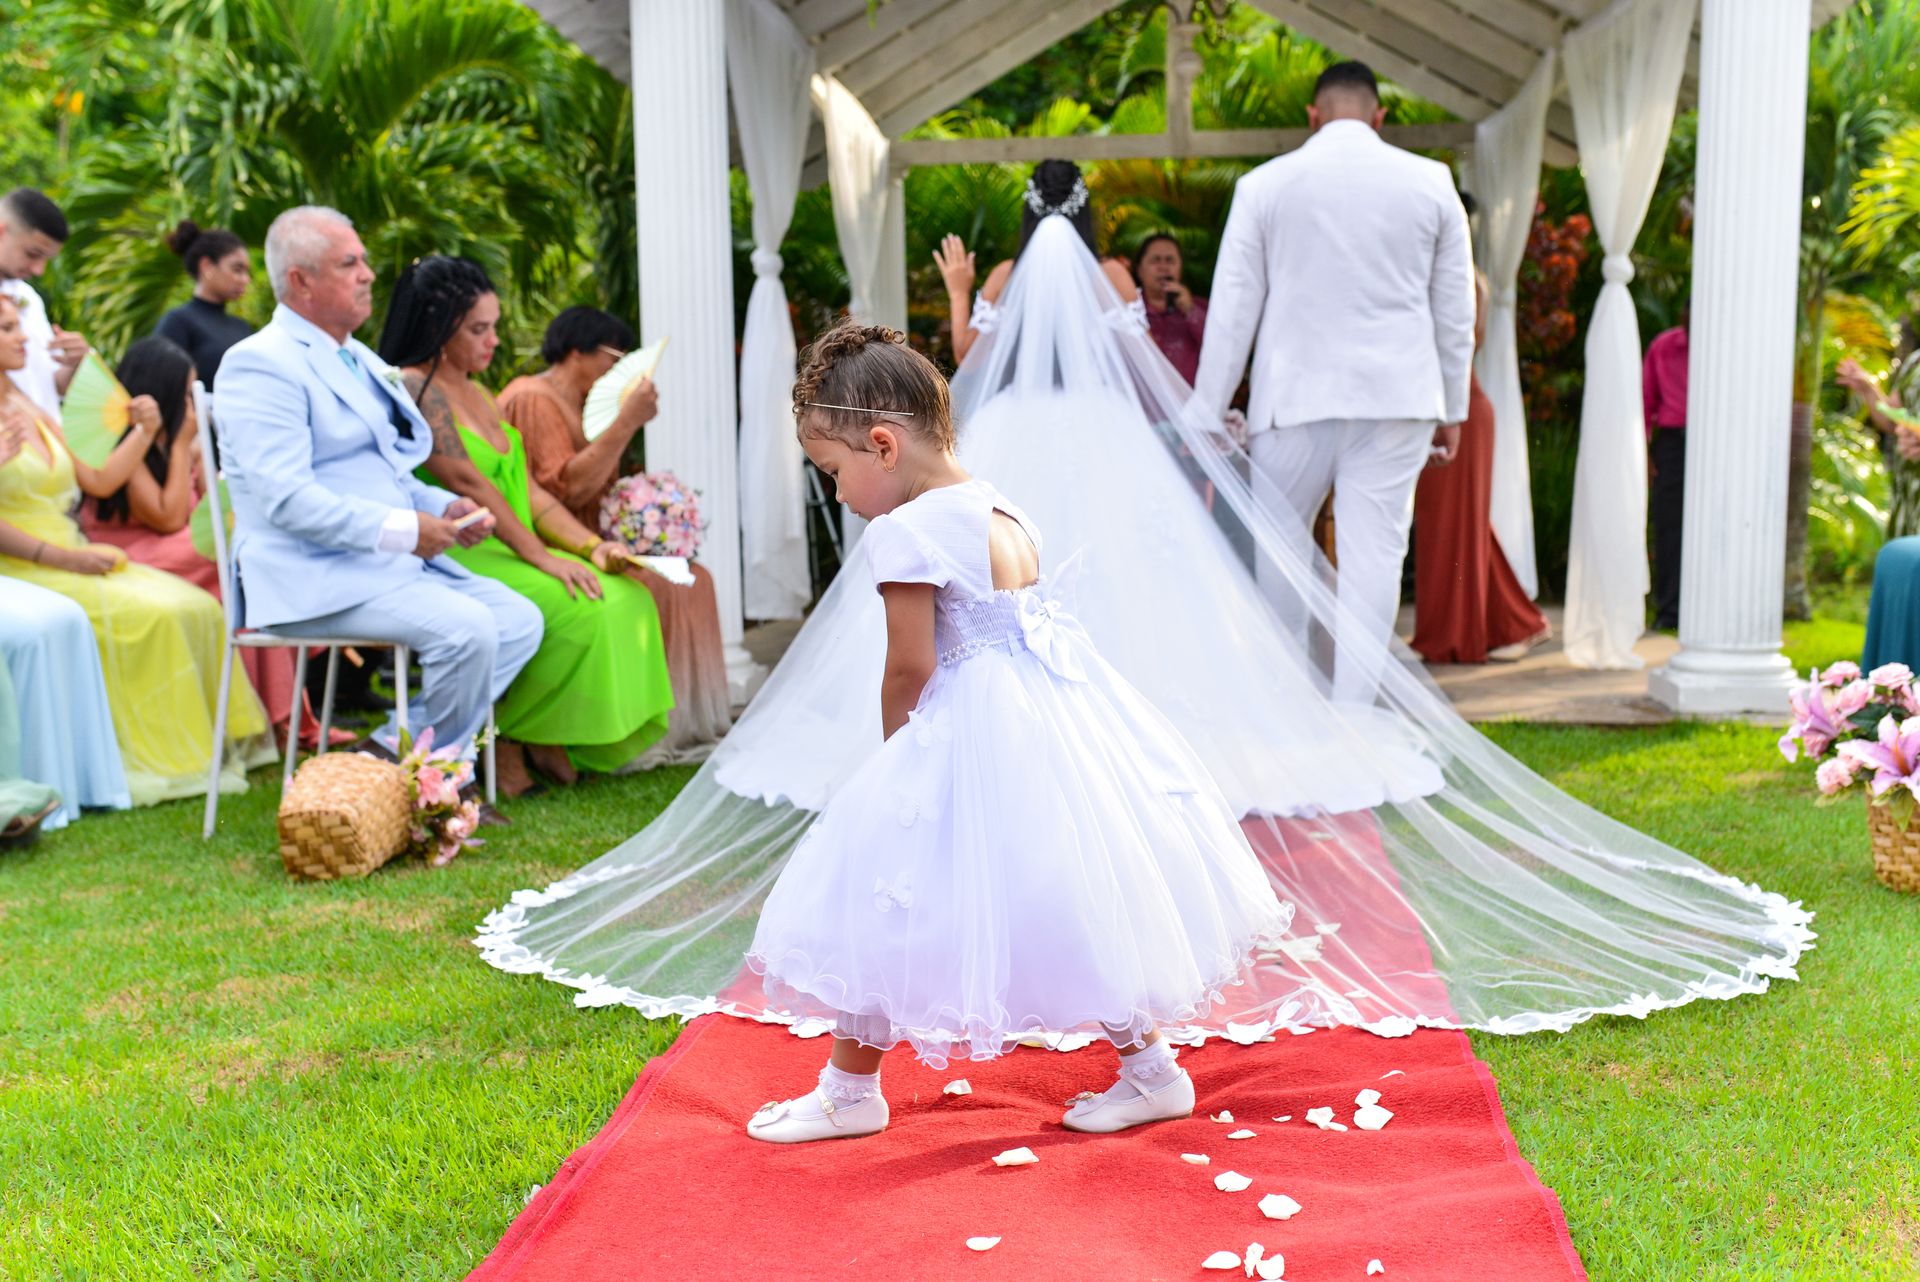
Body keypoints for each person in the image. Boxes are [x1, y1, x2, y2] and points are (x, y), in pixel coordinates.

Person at [474, 144, 1811, 1058]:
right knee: (1095, 729)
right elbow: (1116, 372)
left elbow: (965, 387)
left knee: (921, 855)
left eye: (834, 468)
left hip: (998, 507)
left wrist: (962, 300)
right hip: (1077, 498)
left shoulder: (960, 402)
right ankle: (1108, 1044)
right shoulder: (1068, 361)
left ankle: (864, 1067)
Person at [743, 323, 1291, 1143]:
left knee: (884, 893)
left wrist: (899, 760)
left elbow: (909, 666)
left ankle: (851, 1092)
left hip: (964, 737)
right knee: (1072, 893)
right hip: (1050, 728)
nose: (839, 492)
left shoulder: (905, 531)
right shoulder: (1001, 507)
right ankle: (1152, 1071)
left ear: (882, 445)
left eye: (833, 471)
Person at [215, 206, 542, 790]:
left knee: (518, 621)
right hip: (312, 574)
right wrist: (409, 531)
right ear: (301, 281)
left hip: (379, 568)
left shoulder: (358, 357)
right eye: (350, 263)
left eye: (364, 260)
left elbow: (388, 474)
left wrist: (442, 508)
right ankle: (434, 784)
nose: (368, 274)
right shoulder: (260, 364)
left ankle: (390, 757)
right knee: (468, 629)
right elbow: (287, 500)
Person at [1192, 61, 1475, 705]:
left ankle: (1289, 704)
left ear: (1313, 115)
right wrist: (1452, 407)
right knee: (1375, 556)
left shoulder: (1265, 185)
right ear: (1380, 117)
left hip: (1293, 398)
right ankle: (1356, 714)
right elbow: (1454, 310)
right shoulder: (1432, 182)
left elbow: (1234, 307)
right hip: (1399, 399)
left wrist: (1208, 409)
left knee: (1281, 551)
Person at [379, 256, 675, 791]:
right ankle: (509, 734)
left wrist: (590, 546)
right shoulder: (414, 388)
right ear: (439, 328)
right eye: (479, 329)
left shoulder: (480, 393)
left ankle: (548, 733)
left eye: (493, 326)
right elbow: (470, 484)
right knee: (580, 607)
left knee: (625, 596)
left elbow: (529, 493)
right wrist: (542, 558)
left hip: (510, 543)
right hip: (459, 550)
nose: (494, 340)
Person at [0, 293, 272, 804]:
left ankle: (210, 747)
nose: (22, 337)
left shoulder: (29, 405)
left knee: (195, 605)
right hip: (24, 566)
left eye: (18, 325)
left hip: (70, 551)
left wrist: (145, 432)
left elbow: (100, 480)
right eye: (7, 328)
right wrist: (64, 558)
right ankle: (162, 758)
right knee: (155, 616)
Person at [499, 308, 732, 759]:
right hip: (555, 544)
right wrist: (626, 421)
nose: (617, 367)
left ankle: (682, 724)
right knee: (659, 587)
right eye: (613, 356)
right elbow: (565, 490)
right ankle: (631, 731)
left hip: (597, 540)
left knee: (694, 577)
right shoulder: (533, 398)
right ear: (576, 350)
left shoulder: (580, 405)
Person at [79, 336, 323, 748]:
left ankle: (286, 714)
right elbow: (169, 517)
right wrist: (180, 446)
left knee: (251, 562)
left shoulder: (182, 439)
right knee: (230, 562)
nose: (194, 408)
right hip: (137, 551)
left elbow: (209, 509)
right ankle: (283, 718)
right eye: (186, 397)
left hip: (179, 545)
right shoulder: (127, 441)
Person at [1410, 270, 1550, 664]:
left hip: (1460, 413)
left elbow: (1466, 339)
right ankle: (1512, 623)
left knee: (1457, 523)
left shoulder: (1468, 282)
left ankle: (1470, 631)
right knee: (1452, 524)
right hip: (1439, 411)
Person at [933, 158, 1140, 367]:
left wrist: (959, 293)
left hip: (1021, 390)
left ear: (1030, 210)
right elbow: (1143, 361)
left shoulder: (1006, 275)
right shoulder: (1112, 274)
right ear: (1084, 211)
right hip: (1096, 389)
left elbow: (967, 358)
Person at [0, 188, 89, 419]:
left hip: (44, 433)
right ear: (1, 232)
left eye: (46, 259)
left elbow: (51, 385)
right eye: (32, 254)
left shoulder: (28, 297)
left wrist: (75, 363)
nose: (38, 270)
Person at [153, 220, 256, 386]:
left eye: (247, 272)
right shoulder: (179, 322)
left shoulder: (242, 327)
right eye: (237, 269)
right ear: (207, 266)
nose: (245, 279)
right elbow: (161, 382)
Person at [1641, 311, 1690, 631]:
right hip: (1673, 444)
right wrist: (1645, 451)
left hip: (1715, 442)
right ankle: (1669, 611)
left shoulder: (1726, 347)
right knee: (1669, 527)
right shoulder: (1664, 346)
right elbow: (1645, 401)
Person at [1132, 232, 1208, 384]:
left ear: (1180, 268)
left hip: (1190, 397)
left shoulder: (1201, 308)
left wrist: (1190, 311)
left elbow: (1220, 350)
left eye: (1170, 260)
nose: (1163, 267)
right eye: (1155, 260)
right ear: (1139, 270)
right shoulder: (1130, 309)